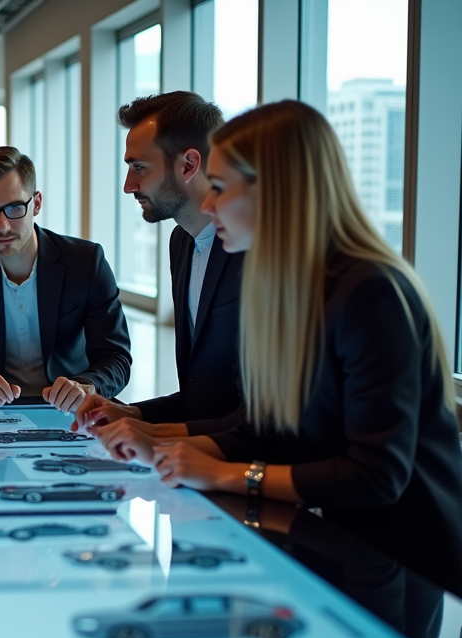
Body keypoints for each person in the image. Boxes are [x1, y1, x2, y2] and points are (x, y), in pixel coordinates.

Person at [99, 100, 462, 592]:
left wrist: (224, 475)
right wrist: (156, 444)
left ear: (274, 191)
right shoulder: (285, 289)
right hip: (325, 545)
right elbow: (261, 427)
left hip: (397, 565)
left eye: (220, 188)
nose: (208, 204)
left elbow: (376, 476)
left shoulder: (370, 291)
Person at [73, 91, 244, 436]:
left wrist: (151, 434)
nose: (128, 186)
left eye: (139, 167)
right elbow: (203, 398)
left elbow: (258, 414)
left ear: (188, 165)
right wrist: (132, 413)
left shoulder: (254, 249)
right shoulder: (181, 241)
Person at [0, 146, 131, 411]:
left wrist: (86, 385)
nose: (2, 226)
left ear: (36, 203)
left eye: (15, 208)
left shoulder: (86, 262)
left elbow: (116, 357)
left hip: (70, 408)